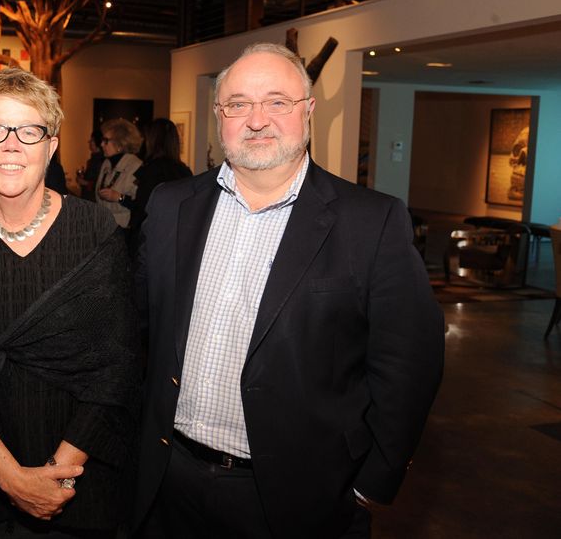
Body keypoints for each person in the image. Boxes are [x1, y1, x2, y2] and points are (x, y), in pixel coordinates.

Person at [132, 43, 444, 538]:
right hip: (169, 481)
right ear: (219, 115)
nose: (257, 120)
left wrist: (373, 483)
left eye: (277, 101)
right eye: (238, 104)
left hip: (301, 496)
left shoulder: (371, 222)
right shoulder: (170, 205)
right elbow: (137, 331)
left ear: (308, 110)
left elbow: (409, 365)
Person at [0, 67, 140, 538]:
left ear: (51, 146)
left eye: (29, 131)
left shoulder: (96, 231)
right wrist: (11, 477)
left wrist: (54, 475)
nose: (11, 145)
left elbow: (117, 368)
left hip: (75, 486)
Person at [104, 118, 191, 253]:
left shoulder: (150, 171)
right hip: (175, 238)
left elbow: (143, 208)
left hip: (151, 239)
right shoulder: (184, 171)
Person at [95, 119, 143, 228]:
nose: (101, 144)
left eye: (106, 141)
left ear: (119, 144)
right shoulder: (106, 163)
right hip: (104, 226)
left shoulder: (136, 166)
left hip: (124, 229)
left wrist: (119, 198)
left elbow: (140, 204)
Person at [74, 130, 104, 201]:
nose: (89, 142)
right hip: (87, 197)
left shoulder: (101, 161)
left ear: (98, 142)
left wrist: (85, 183)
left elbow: (101, 184)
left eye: (92, 140)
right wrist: (83, 177)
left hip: (94, 199)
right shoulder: (91, 160)